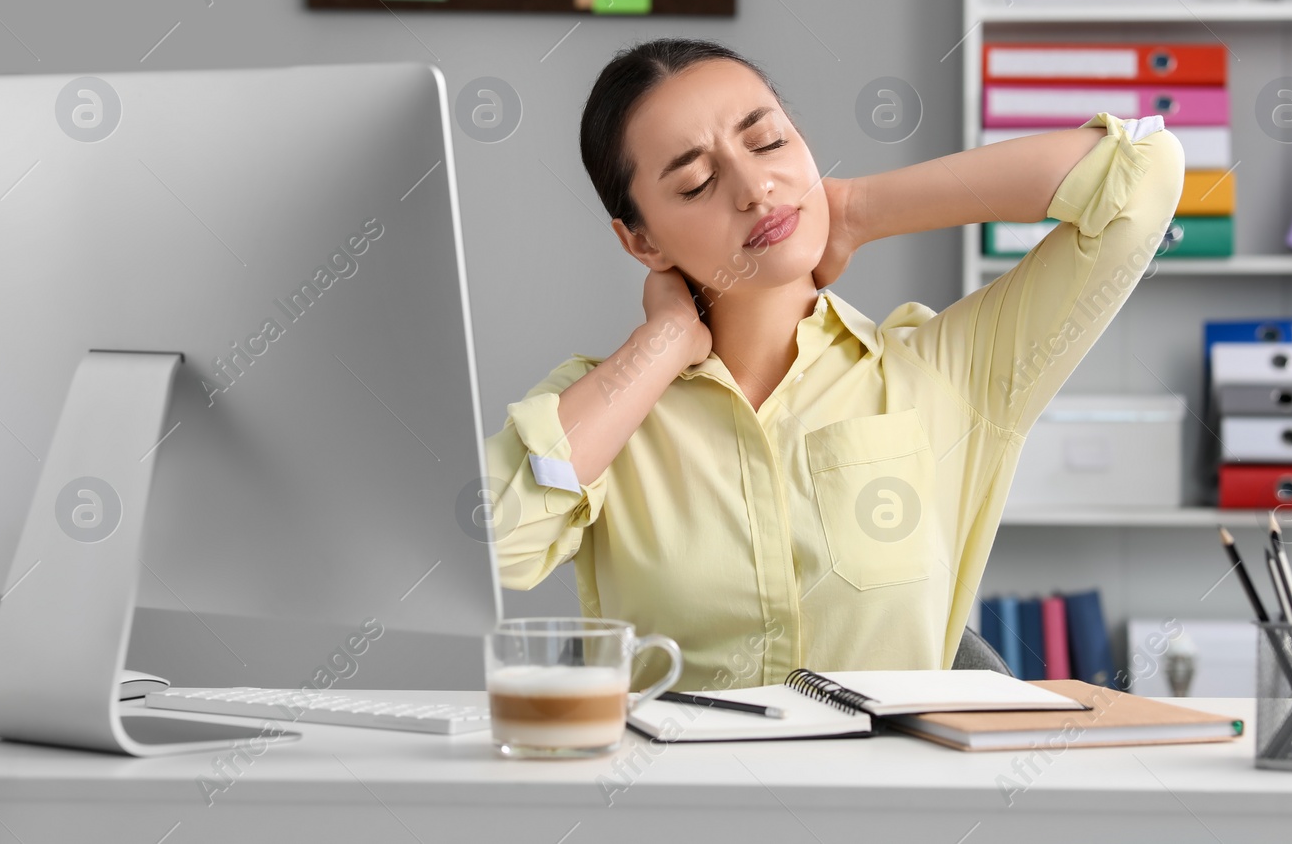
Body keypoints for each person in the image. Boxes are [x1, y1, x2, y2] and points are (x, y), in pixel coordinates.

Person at [484, 38, 1184, 691]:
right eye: (696, 182)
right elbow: (493, 541)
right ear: (641, 242)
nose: (755, 187)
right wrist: (664, 340)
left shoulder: (942, 374)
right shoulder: (604, 409)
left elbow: (1144, 172)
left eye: (768, 141)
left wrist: (857, 208)